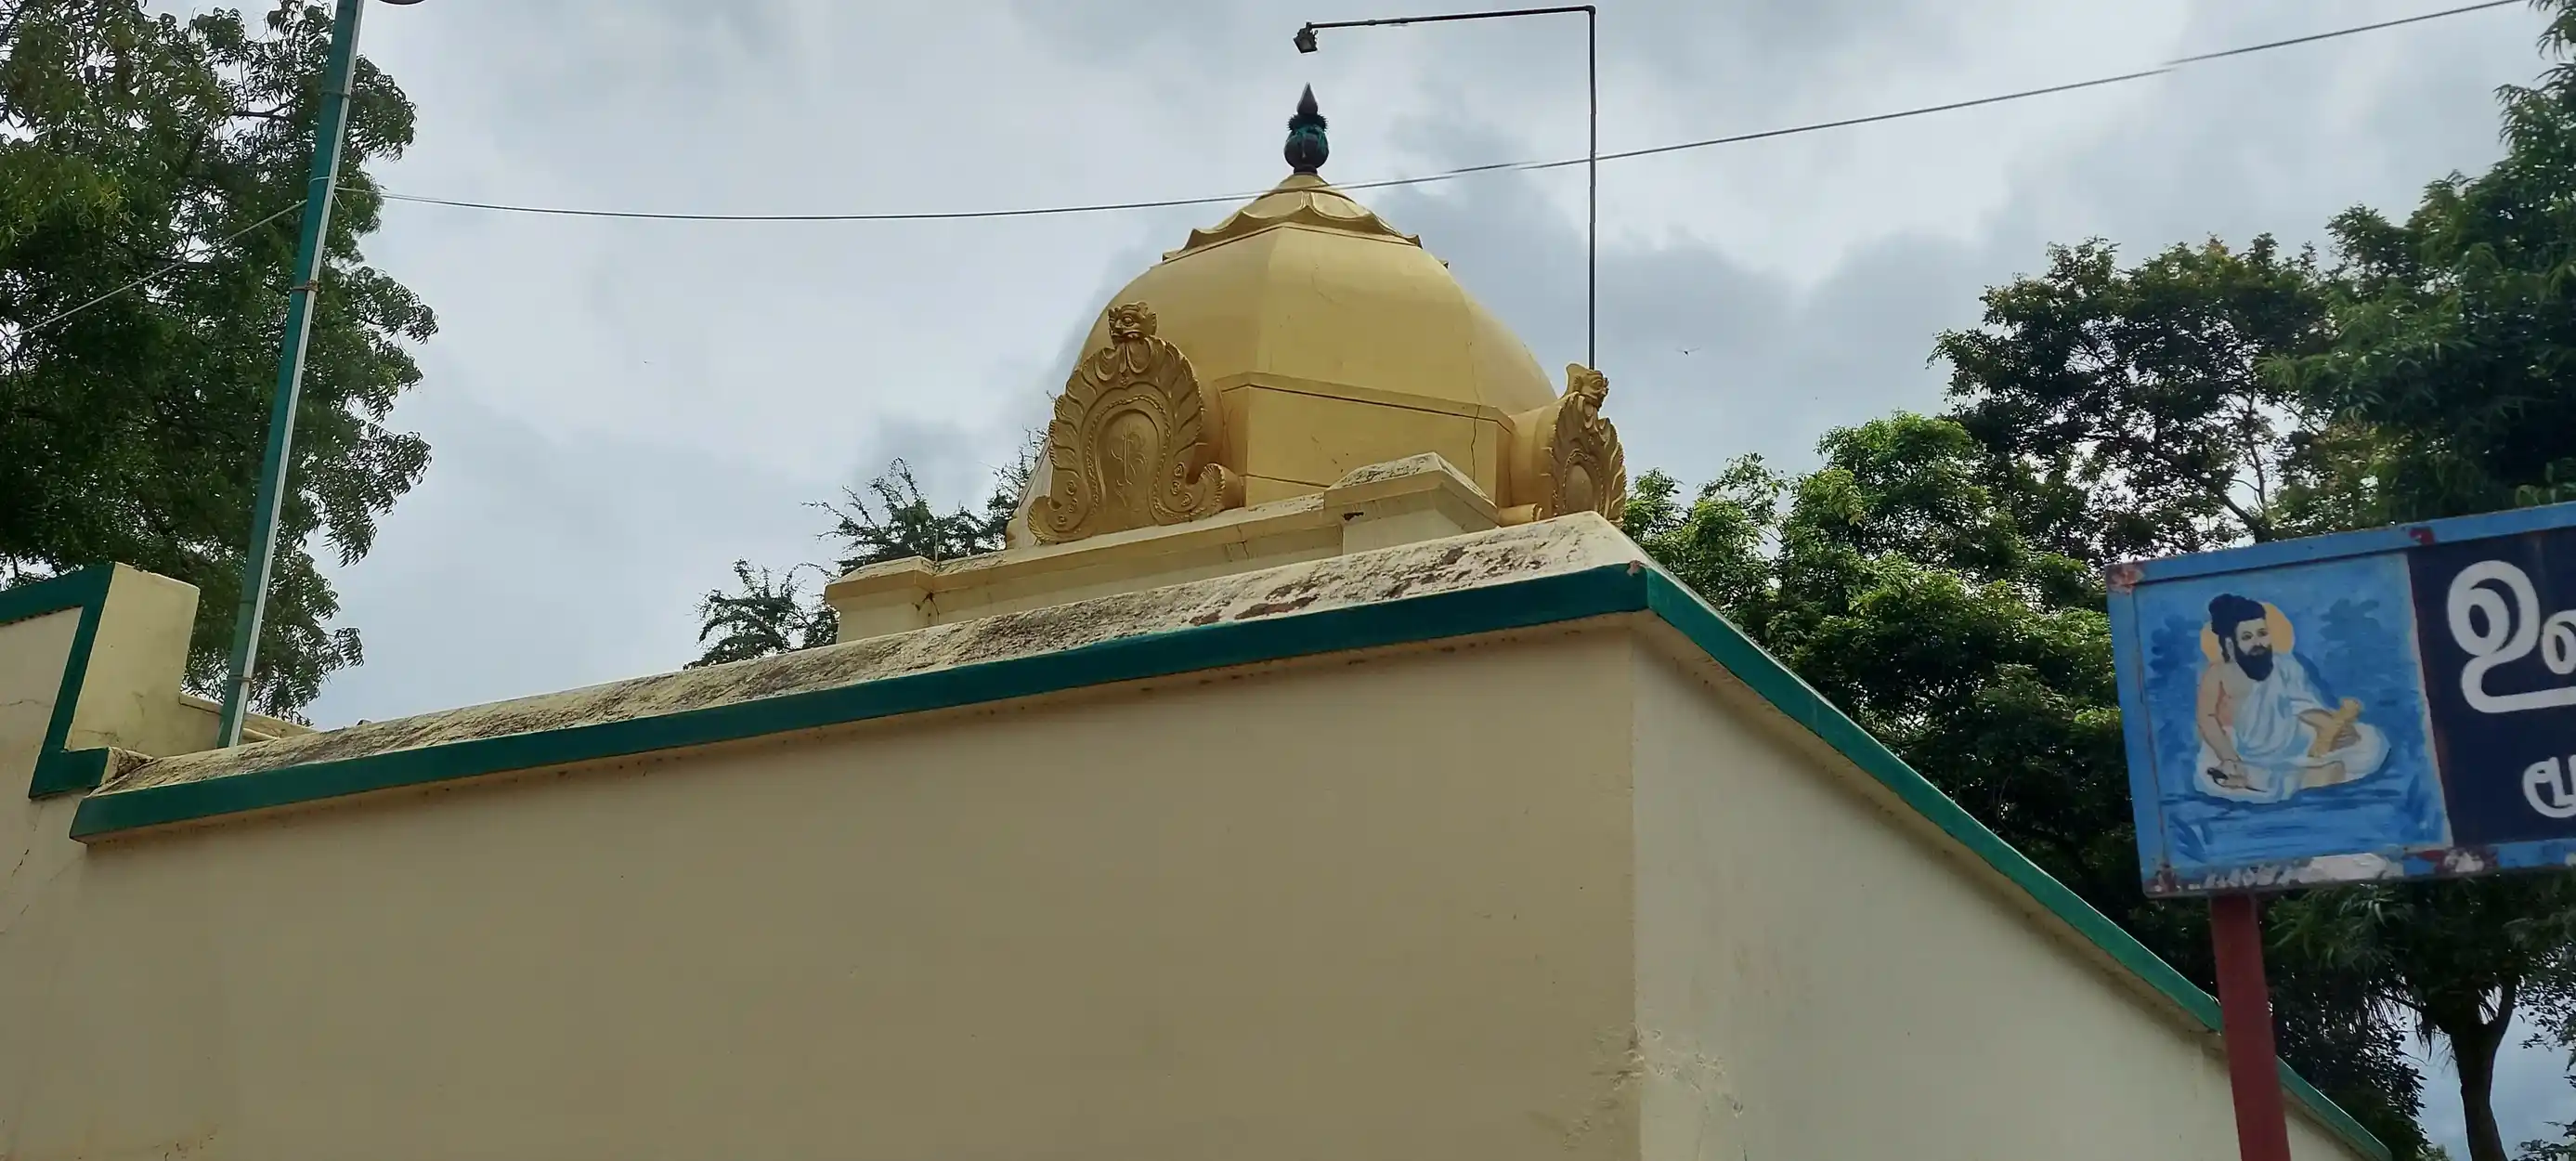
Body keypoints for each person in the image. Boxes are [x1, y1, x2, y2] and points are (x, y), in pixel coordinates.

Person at [2192, 594, 2387, 802]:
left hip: (2297, 738)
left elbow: (2302, 704)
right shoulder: (2218, 674)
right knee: (2224, 772)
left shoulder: (2286, 665)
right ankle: (2283, 779)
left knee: (2363, 740)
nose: (2258, 642)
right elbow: (2207, 718)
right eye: (2247, 637)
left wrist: (2330, 726)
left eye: (2262, 633)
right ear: (2230, 643)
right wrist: (2229, 757)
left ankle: (2292, 777)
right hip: (2253, 749)